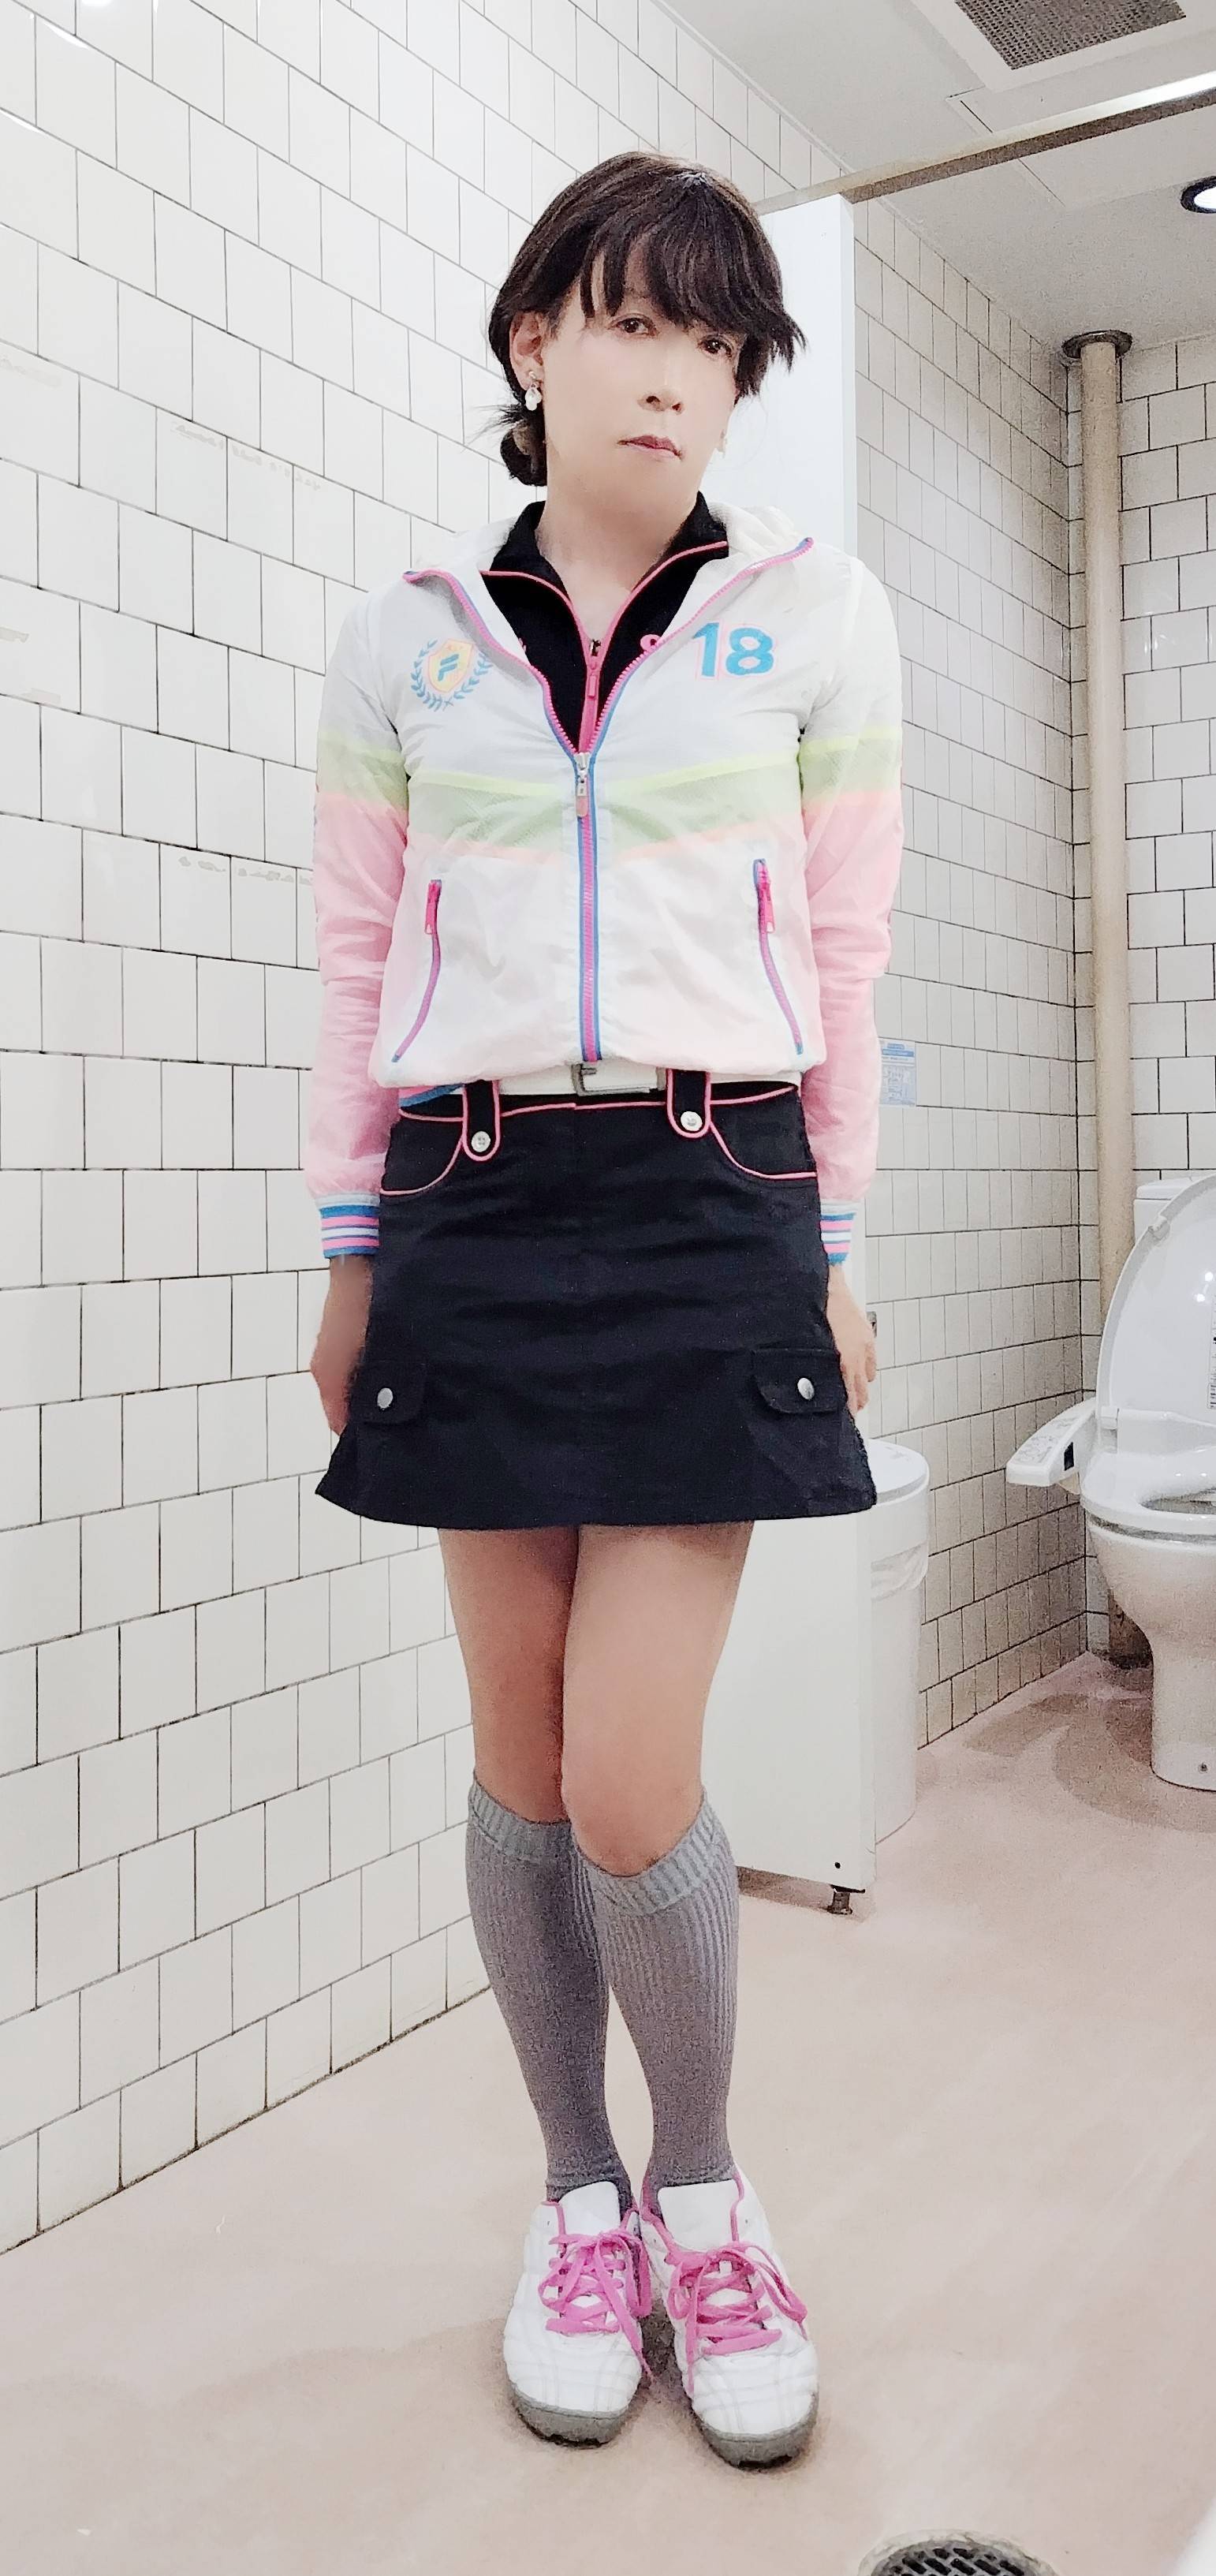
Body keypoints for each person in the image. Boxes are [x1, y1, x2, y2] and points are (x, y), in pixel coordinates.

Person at [304, 151, 904, 2470]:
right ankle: (576, 2203)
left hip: (710, 1187)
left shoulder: (813, 619)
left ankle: (706, 2199)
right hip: (466, 1193)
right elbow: (356, 959)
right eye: (637, 322)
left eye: (719, 343)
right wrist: (348, 1248)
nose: (678, 375)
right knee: (516, 1758)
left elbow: (844, 953)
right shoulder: (409, 642)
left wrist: (834, 1239)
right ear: (534, 341)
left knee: (629, 1774)